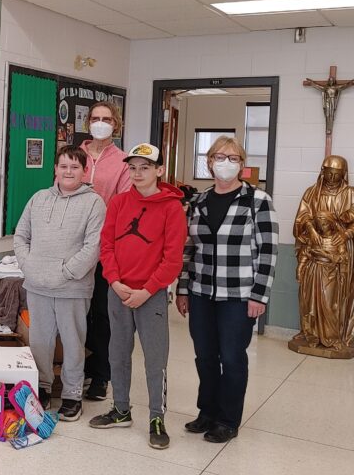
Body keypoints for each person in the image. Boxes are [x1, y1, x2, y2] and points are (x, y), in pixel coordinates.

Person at [177, 136, 279, 443]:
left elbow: (268, 250)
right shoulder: (198, 202)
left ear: (242, 165)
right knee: (205, 356)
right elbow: (188, 248)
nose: (225, 163)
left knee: (232, 358)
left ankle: (227, 419)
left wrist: (259, 295)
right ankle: (206, 411)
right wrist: (182, 290)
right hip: (201, 292)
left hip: (238, 295)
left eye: (233, 158)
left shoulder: (258, 200)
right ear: (209, 162)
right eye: (219, 157)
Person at [89, 143, 185, 451]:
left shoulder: (171, 207)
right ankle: (120, 409)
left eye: (145, 167)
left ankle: (157, 417)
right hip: (118, 291)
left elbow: (172, 259)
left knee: (155, 359)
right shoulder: (118, 203)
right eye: (132, 168)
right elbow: (107, 247)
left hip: (151, 294)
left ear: (159, 171)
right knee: (117, 353)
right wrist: (115, 282)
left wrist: (148, 290)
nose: (138, 173)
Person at [14, 145, 106, 421]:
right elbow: (21, 236)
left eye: (74, 167)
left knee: (73, 342)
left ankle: (72, 395)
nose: (68, 171)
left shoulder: (94, 203)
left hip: (72, 288)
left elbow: (94, 246)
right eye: (63, 166)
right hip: (37, 285)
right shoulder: (38, 198)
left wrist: (66, 272)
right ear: (55, 169)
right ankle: (42, 389)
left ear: (84, 171)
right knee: (39, 342)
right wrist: (29, 266)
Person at [79, 101, 132, 402]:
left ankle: (101, 375)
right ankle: (78, 369)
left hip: (104, 248)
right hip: (73, 247)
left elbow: (122, 204)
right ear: (88, 122)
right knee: (76, 312)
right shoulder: (75, 156)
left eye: (107, 119)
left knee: (101, 313)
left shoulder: (123, 161)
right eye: (95, 118)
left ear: (116, 124)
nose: (101, 123)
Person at [293, 155, 354, 352]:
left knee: (334, 298)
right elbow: (302, 218)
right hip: (313, 252)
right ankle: (310, 331)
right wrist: (311, 230)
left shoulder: (350, 194)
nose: (332, 178)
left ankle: (334, 335)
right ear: (323, 172)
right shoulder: (312, 193)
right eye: (329, 173)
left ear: (343, 175)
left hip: (338, 253)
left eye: (337, 174)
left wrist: (345, 234)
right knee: (308, 295)